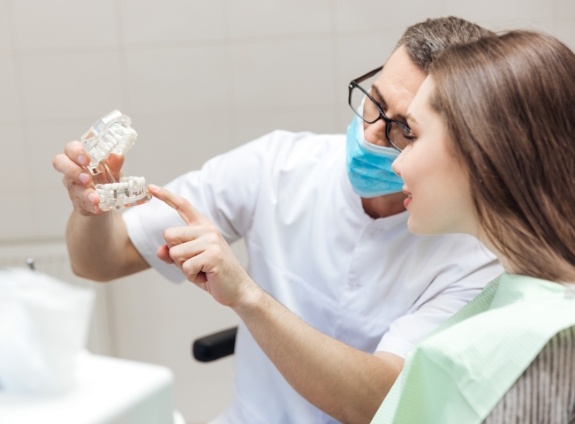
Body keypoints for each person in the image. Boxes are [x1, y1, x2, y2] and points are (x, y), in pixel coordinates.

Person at [52, 17, 502, 424]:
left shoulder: (474, 254)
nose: (371, 133)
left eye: (404, 128)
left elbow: (382, 403)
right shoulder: (280, 165)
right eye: (374, 101)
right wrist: (89, 209)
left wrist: (247, 296)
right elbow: (100, 262)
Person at [368, 30, 575, 423]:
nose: (396, 163)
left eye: (411, 134)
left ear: (481, 148)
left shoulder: (538, 347)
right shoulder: (518, 290)